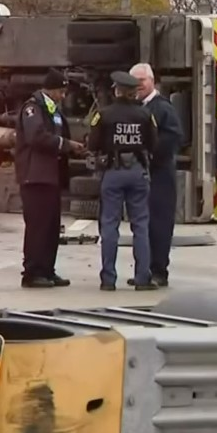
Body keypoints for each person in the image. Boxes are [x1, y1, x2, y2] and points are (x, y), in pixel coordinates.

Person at [88, 71, 159, 291]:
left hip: (113, 171)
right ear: (132, 92)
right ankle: (142, 278)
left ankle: (108, 279)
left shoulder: (104, 115)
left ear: (117, 90)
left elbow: (92, 144)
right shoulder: (145, 114)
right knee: (141, 225)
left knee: (110, 225)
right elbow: (154, 143)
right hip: (137, 172)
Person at [14, 68, 85, 288]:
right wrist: (66, 145)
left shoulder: (53, 110)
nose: (63, 96)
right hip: (35, 177)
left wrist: (71, 149)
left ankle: (47, 269)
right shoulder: (33, 108)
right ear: (51, 90)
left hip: (51, 177)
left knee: (51, 227)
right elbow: (36, 137)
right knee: (38, 226)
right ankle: (32, 273)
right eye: (61, 92)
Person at [127, 63, 183, 287]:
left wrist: (148, 153)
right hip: (140, 174)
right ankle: (143, 270)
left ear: (152, 81)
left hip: (160, 175)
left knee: (159, 223)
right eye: (134, 81)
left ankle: (159, 271)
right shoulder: (134, 107)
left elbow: (174, 138)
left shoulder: (162, 108)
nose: (138, 85)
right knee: (142, 224)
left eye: (142, 80)